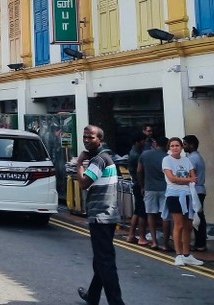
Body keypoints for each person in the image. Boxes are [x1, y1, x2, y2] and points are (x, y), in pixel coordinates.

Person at [76, 125, 126, 305]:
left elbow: (83, 183)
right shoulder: (105, 157)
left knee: (105, 262)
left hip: (101, 216)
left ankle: (116, 302)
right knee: (101, 260)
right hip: (108, 215)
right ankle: (93, 296)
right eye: (85, 137)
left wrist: (79, 163)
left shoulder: (99, 160)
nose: (86, 140)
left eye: (91, 137)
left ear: (100, 140)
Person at [162, 137, 201, 267]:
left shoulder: (187, 160)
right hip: (174, 195)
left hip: (188, 195)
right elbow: (172, 179)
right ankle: (178, 255)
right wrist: (188, 179)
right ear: (169, 147)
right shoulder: (166, 160)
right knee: (178, 225)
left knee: (188, 226)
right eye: (172, 146)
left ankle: (186, 254)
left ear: (181, 147)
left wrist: (187, 179)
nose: (175, 148)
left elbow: (194, 177)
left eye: (177, 145)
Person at [137, 135, 171, 251]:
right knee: (165, 216)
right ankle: (166, 244)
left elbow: (139, 171)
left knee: (150, 214)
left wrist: (142, 186)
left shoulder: (145, 155)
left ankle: (154, 242)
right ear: (166, 146)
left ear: (156, 144)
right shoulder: (167, 158)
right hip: (165, 189)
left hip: (149, 188)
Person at [183, 134, 207, 253]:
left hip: (195, 190)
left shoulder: (192, 159)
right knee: (199, 217)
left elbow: (187, 175)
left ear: (192, 145)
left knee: (196, 217)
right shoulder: (196, 157)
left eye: (185, 144)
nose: (183, 147)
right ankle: (200, 243)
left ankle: (200, 244)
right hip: (199, 190)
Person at [125, 132, 148, 245]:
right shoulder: (137, 155)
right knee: (142, 211)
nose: (144, 143)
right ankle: (142, 237)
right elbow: (140, 171)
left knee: (137, 211)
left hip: (136, 184)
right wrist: (142, 186)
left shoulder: (135, 152)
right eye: (143, 141)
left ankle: (131, 234)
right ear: (137, 142)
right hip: (139, 185)